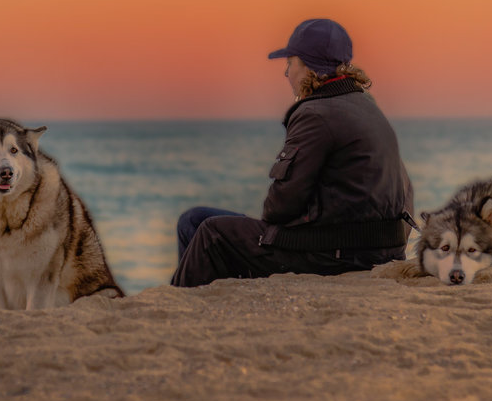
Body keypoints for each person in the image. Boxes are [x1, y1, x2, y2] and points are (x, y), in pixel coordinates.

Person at [170, 18, 414, 288]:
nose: (286, 73)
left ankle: (177, 313)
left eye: (290, 63)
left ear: (309, 67)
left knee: (209, 232)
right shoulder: (365, 104)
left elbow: (279, 208)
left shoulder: (315, 113)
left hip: (337, 254)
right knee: (194, 220)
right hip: (376, 248)